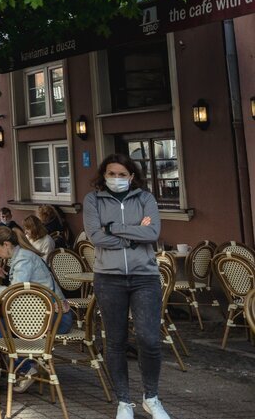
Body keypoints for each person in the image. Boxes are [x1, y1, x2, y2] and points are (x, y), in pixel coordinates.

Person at [83, 154, 170, 419]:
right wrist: (132, 236)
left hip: (145, 276)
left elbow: (152, 233)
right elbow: (95, 236)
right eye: (112, 174)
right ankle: (124, 401)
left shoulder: (145, 199)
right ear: (103, 175)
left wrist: (114, 228)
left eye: (122, 175)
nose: (117, 179)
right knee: (116, 341)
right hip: (108, 278)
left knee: (149, 339)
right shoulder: (93, 200)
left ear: (132, 177)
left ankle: (151, 397)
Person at [0, 226, 73, 394]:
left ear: (7, 244)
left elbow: (15, 293)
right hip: (52, 315)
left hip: (56, 319)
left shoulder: (23, 259)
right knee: (0, 320)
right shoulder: (21, 256)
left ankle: (25, 368)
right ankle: (24, 363)